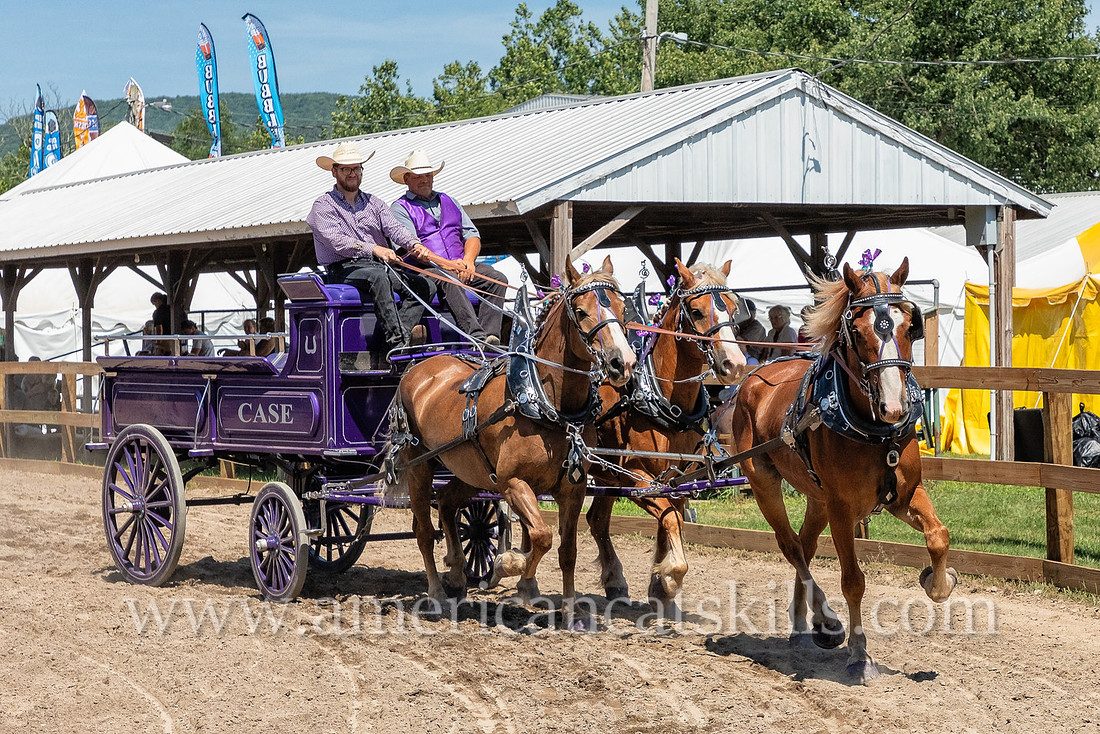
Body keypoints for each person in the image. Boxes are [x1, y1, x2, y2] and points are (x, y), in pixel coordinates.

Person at [306, 142, 436, 359]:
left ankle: (389, 344)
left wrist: (414, 245)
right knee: (378, 277)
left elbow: (395, 228)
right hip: (342, 268)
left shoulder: (374, 203)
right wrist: (374, 248)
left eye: (356, 168)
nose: (352, 173)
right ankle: (398, 341)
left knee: (425, 286)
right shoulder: (323, 206)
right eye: (346, 169)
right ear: (334, 171)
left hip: (377, 267)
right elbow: (337, 241)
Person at [388, 150, 508, 345]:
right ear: (406, 178)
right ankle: (475, 337)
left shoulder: (450, 201)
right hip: (424, 270)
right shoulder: (399, 208)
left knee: (497, 279)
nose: (424, 180)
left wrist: (468, 261)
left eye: (428, 175)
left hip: (461, 264)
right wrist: (449, 265)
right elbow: (412, 249)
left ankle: (491, 336)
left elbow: (472, 235)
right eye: (418, 176)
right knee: (447, 279)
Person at [738, 299, 767, 365]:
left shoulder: (757, 326)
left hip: (751, 357)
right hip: (739, 355)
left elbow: (742, 341)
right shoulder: (740, 324)